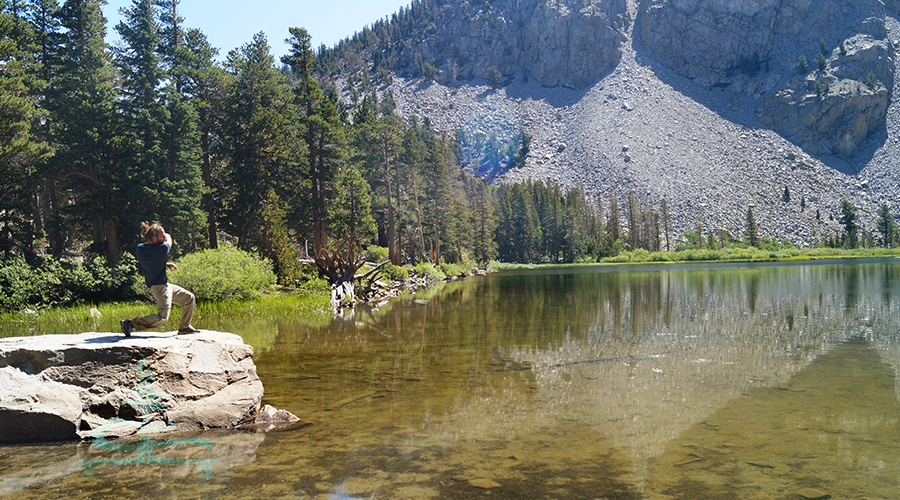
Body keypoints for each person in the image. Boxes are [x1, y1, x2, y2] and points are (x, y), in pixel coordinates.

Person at [120, 222, 200, 336]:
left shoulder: (141, 248)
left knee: (189, 298)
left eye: (163, 235)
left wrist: (165, 264)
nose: (164, 237)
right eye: (161, 235)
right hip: (159, 288)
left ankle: (184, 327)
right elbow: (169, 241)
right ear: (154, 238)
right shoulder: (161, 248)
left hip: (165, 286)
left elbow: (152, 261)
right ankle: (130, 324)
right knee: (162, 318)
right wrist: (167, 235)